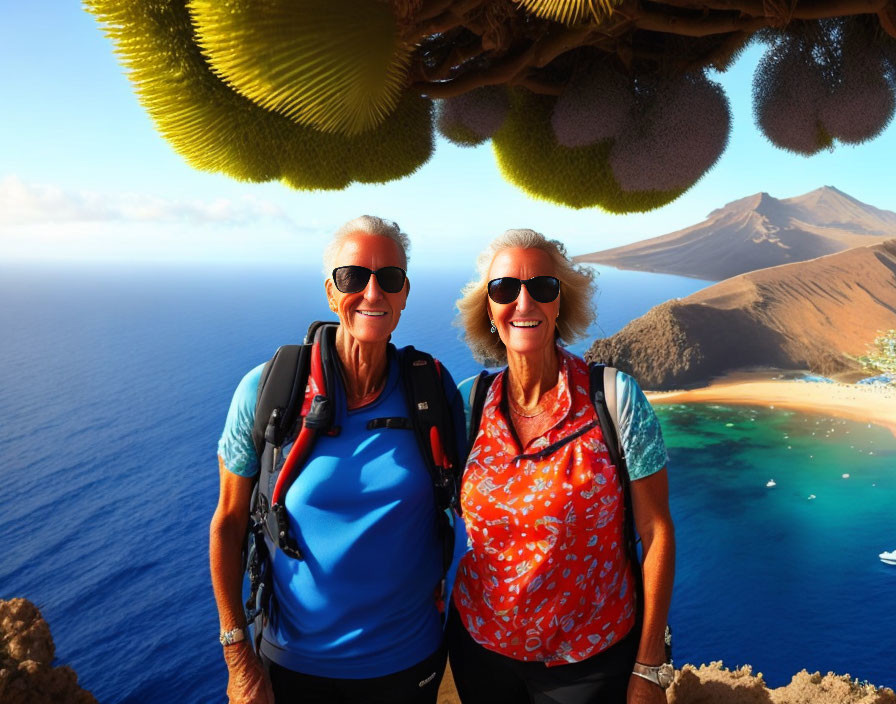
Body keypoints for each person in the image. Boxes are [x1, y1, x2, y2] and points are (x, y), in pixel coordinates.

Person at [210, 216, 465, 704]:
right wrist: (237, 656)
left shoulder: (429, 390)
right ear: (331, 292)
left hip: (410, 662)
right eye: (353, 277)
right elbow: (228, 523)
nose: (373, 293)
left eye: (389, 279)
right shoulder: (267, 391)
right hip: (293, 664)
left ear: (405, 294)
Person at [448, 229, 676, 704]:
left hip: (589, 661)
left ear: (560, 305)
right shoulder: (468, 403)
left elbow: (656, 531)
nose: (524, 302)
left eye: (543, 288)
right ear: (489, 310)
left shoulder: (614, 399)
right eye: (505, 289)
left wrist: (649, 666)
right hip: (480, 651)